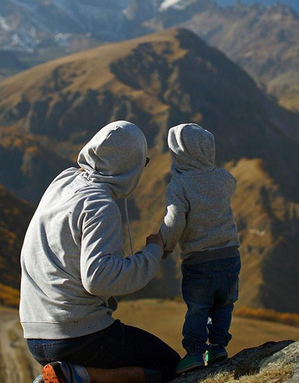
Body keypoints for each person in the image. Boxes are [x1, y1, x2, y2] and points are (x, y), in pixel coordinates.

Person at [20, 121, 181, 383]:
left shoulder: (63, 182)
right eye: (143, 162)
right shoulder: (99, 205)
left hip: (35, 333)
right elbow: (99, 278)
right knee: (172, 368)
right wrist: (153, 252)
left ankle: (71, 375)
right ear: (129, 165)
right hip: (77, 334)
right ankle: (79, 375)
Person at [159, 123, 241, 374]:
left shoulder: (180, 186)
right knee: (224, 304)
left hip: (199, 261)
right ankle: (218, 347)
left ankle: (194, 352)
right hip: (230, 256)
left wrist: (165, 246)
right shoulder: (223, 178)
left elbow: (174, 221)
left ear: (179, 153)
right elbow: (232, 184)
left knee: (198, 308)